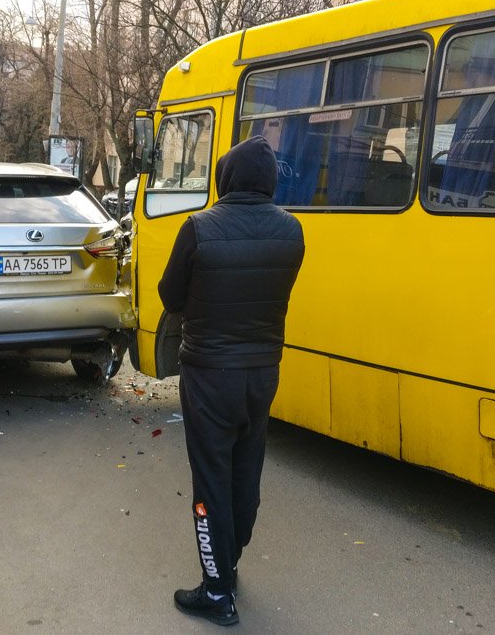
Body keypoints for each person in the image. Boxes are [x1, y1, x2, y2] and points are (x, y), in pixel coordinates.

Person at [158, 135, 305, 627]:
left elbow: (170, 295)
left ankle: (217, 590)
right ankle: (231, 561)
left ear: (227, 176)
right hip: (263, 373)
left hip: (208, 374)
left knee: (210, 481)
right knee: (247, 471)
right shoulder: (292, 232)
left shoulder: (199, 228)